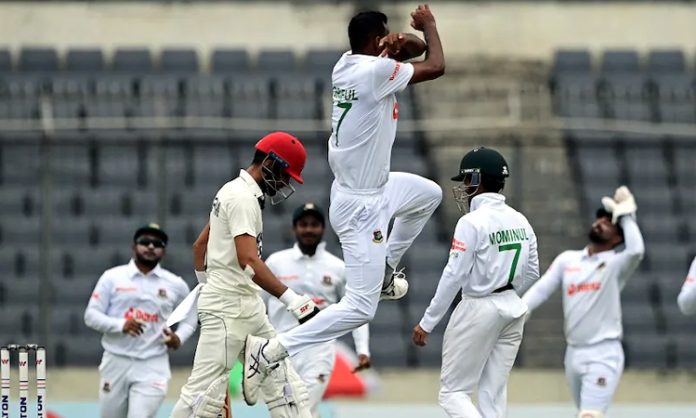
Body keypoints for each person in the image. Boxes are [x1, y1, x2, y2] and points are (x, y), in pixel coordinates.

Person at [243, 4, 446, 401]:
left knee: (429, 195)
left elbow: (412, 51)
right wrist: (430, 27)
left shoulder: (346, 65)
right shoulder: (375, 72)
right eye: (385, 37)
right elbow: (435, 65)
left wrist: (403, 40)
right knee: (360, 309)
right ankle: (271, 350)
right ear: (376, 43)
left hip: (376, 187)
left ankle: (386, 270)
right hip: (360, 205)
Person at [170, 131, 317, 418]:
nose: (286, 183)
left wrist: (209, 290)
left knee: (287, 387)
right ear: (271, 163)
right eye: (286, 175)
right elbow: (248, 259)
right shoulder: (241, 198)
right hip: (228, 310)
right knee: (202, 397)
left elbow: (200, 246)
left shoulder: (236, 192)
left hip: (247, 307)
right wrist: (292, 300)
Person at [412, 147, 540, 418]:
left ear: (475, 181)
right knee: (492, 394)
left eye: (466, 182)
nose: (464, 189)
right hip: (513, 308)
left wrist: (428, 321)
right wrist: (507, 294)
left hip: (478, 308)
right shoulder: (521, 220)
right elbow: (532, 272)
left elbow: (454, 275)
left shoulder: (471, 222)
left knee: (452, 393)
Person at [522, 186, 645, 418]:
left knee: (590, 415)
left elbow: (637, 250)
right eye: (599, 218)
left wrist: (626, 214)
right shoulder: (567, 260)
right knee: (584, 413)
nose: (599, 223)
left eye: (608, 222)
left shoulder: (616, 265)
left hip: (604, 353)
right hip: (573, 353)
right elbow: (541, 289)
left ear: (618, 237)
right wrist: (518, 313)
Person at [263, 203, 371, 418]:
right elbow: (257, 302)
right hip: (282, 347)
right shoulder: (276, 262)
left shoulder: (338, 266)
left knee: (304, 407)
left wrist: (363, 349)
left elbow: (356, 310)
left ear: (323, 229)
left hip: (319, 349)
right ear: (294, 229)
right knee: (287, 411)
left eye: (314, 224)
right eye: (303, 224)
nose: (309, 229)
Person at [84, 223, 197, 418]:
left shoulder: (175, 284)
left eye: (157, 243)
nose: (151, 246)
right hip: (115, 361)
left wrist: (178, 338)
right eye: (145, 242)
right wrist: (121, 325)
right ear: (133, 246)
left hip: (153, 364)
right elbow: (91, 316)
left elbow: (191, 317)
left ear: (164, 251)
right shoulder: (112, 277)